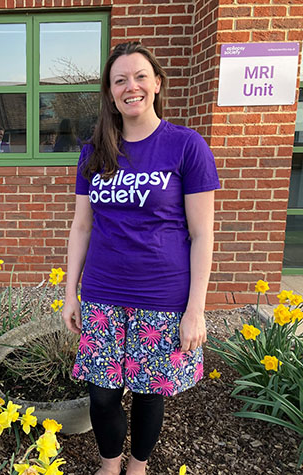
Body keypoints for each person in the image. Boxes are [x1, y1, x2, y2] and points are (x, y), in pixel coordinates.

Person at [62, 42, 219, 475]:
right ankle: (110, 464)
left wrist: (196, 310)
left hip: (163, 296)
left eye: (140, 76)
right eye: (120, 80)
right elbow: (81, 226)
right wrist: (69, 293)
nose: (131, 86)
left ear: (157, 84)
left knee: (151, 393)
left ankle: (138, 466)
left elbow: (202, 233)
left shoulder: (186, 146)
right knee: (102, 395)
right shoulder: (94, 150)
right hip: (103, 292)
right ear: (110, 93)